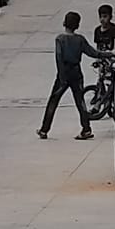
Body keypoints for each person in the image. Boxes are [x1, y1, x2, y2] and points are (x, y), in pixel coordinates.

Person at [38, 9, 93, 140]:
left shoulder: (60, 39)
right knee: (80, 102)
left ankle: (44, 129)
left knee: (53, 101)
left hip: (64, 72)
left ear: (64, 23)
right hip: (76, 72)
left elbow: (58, 57)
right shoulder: (80, 40)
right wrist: (109, 54)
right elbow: (92, 52)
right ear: (77, 25)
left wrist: (62, 76)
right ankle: (86, 129)